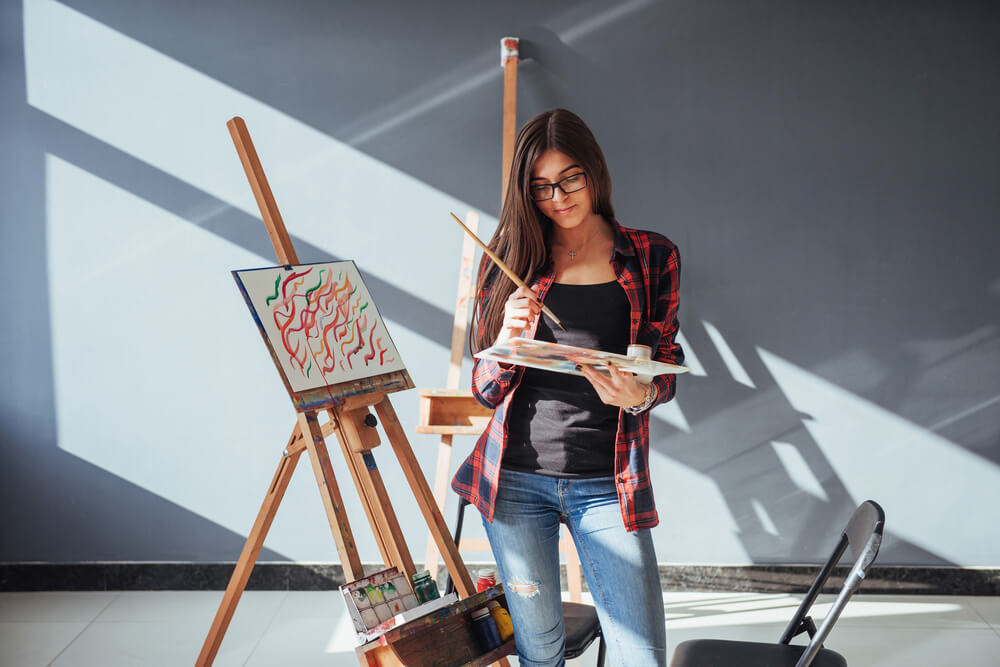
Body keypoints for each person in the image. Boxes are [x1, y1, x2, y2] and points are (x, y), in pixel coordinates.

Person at [451, 108, 683, 667]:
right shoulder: (512, 261)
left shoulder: (652, 256)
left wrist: (643, 394)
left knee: (641, 654)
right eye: (541, 188)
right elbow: (485, 390)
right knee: (541, 651)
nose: (558, 197)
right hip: (514, 483)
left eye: (570, 178)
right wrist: (507, 338)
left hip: (608, 481)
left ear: (594, 172)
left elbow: (667, 361)